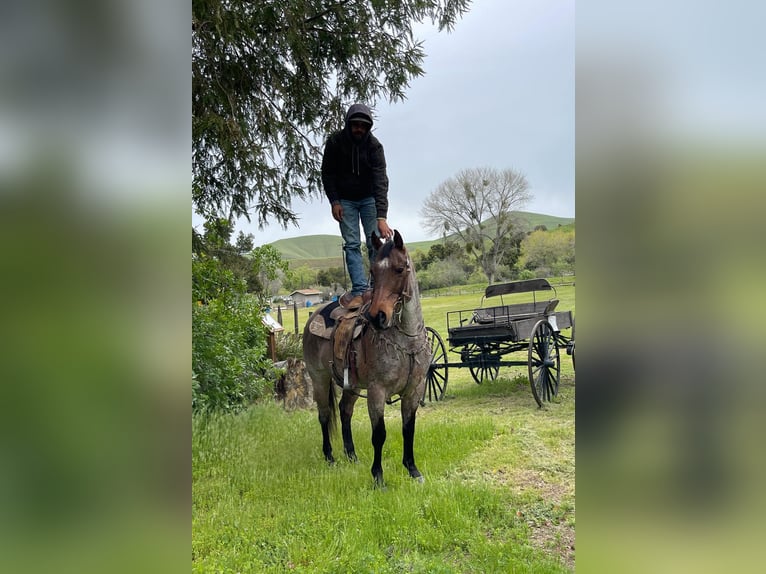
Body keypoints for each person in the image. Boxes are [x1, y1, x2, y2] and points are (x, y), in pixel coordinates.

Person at [321, 103, 393, 309]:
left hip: (369, 198)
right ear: (348, 124)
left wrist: (382, 217)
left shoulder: (375, 147)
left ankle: (375, 286)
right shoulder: (335, 142)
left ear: (368, 126)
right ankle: (360, 290)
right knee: (352, 244)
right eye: (355, 125)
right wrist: (334, 201)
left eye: (363, 125)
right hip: (345, 200)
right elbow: (328, 174)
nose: (359, 129)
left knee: (374, 242)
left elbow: (381, 181)